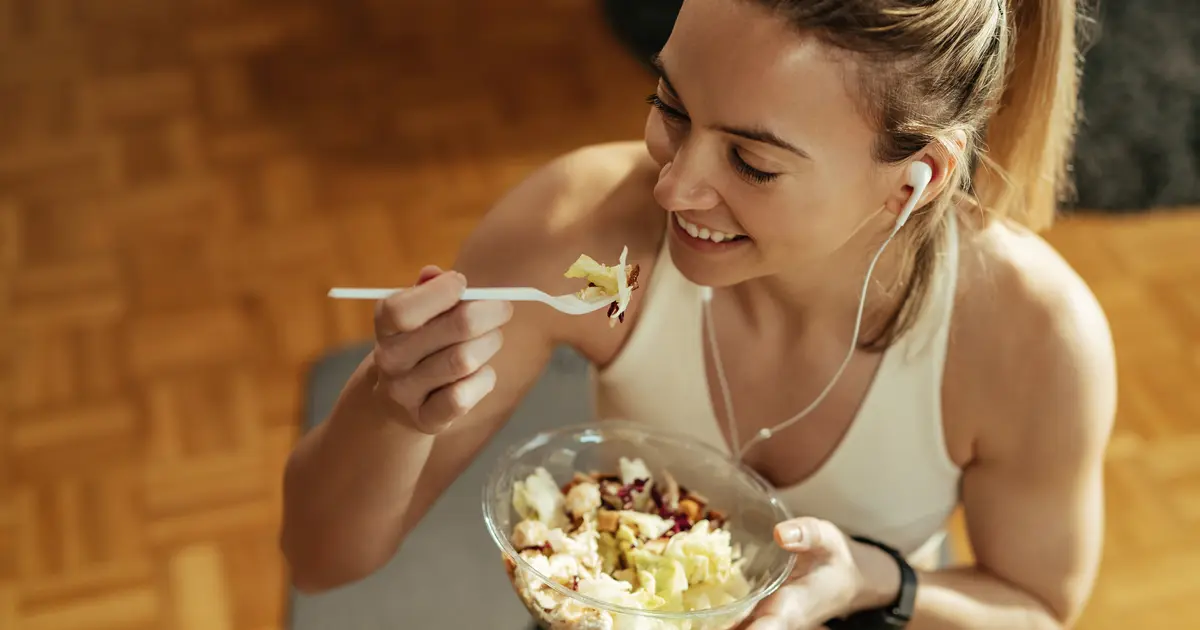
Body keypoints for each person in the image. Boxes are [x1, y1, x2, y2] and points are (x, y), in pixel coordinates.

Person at [281, 0, 1115, 627]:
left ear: (915, 178)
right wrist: (392, 411)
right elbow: (320, 561)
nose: (673, 186)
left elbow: (1035, 609)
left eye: (751, 163)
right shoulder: (576, 227)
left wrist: (875, 580)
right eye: (672, 107)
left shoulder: (1032, 337)